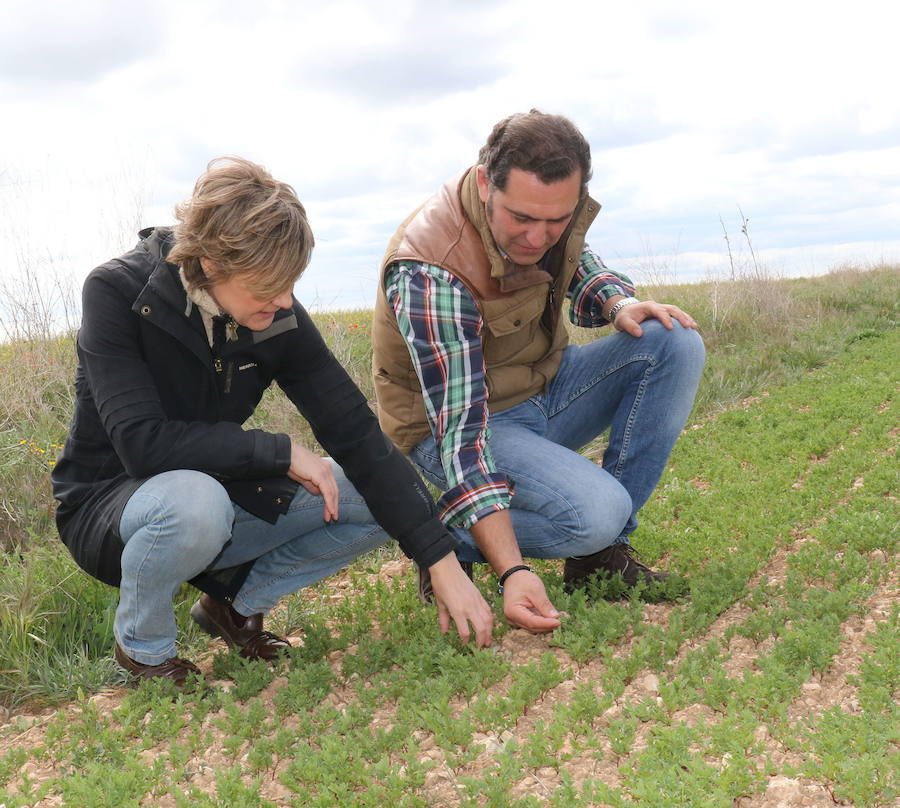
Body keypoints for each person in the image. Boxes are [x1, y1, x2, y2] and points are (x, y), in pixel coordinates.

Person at [51, 156, 493, 687]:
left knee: (382, 498)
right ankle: (144, 652)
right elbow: (141, 446)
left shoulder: (271, 309)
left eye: (291, 284)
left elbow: (354, 431)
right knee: (196, 502)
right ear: (211, 264)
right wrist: (278, 452)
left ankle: (232, 605)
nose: (285, 303)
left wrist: (437, 556)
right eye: (268, 287)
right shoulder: (118, 292)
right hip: (110, 507)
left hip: (214, 494)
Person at [372, 110, 705, 634]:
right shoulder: (432, 270)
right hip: (457, 427)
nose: (537, 237)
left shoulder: (548, 216)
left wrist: (618, 303)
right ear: (485, 183)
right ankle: (447, 535)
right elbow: (463, 435)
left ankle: (599, 554)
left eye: (556, 219)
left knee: (673, 341)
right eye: (523, 219)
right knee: (596, 513)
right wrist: (514, 571)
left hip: (541, 390)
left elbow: (574, 258)